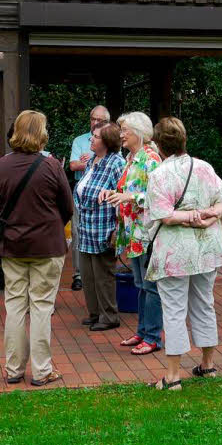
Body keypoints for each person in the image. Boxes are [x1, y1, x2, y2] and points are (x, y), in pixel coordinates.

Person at [145, 117, 222, 390]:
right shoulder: (204, 167)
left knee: (173, 309)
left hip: (175, 252)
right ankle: (207, 366)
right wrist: (209, 216)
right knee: (204, 303)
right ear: (184, 140)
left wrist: (192, 215)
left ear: (159, 145)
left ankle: (172, 376)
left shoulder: (159, 174)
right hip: (207, 247)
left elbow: (163, 215)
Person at [0, 110, 73, 386]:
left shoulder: (2, 164)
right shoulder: (51, 166)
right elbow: (67, 207)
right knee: (41, 307)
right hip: (47, 246)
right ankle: (42, 370)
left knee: (14, 306)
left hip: (13, 245)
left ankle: (13, 369)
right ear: (41, 133)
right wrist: (49, 226)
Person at [103, 112, 164, 355]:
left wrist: (130, 197)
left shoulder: (151, 159)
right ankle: (142, 331)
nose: (121, 134)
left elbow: (158, 197)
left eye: (125, 129)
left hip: (146, 232)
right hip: (132, 233)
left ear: (139, 132)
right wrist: (111, 193)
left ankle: (153, 337)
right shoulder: (131, 157)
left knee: (150, 286)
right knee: (140, 284)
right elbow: (126, 189)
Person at [74, 121, 126, 331]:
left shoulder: (116, 163)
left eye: (95, 137)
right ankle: (95, 313)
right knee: (88, 275)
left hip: (104, 229)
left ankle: (109, 316)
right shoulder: (92, 161)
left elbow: (122, 196)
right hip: (86, 228)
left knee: (104, 275)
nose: (91, 140)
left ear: (107, 141)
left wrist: (117, 228)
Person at [68, 105, 112, 290]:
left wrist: (87, 162)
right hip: (81, 196)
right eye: (92, 119)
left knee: (102, 232)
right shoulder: (80, 140)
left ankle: (100, 273)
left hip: (104, 197)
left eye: (99, 120)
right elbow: (72, 165)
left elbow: (113, 164)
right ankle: (79, 274)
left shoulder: (113, 140)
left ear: (107, 122)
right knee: (78, 232)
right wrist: (89, 163)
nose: (95, 123)